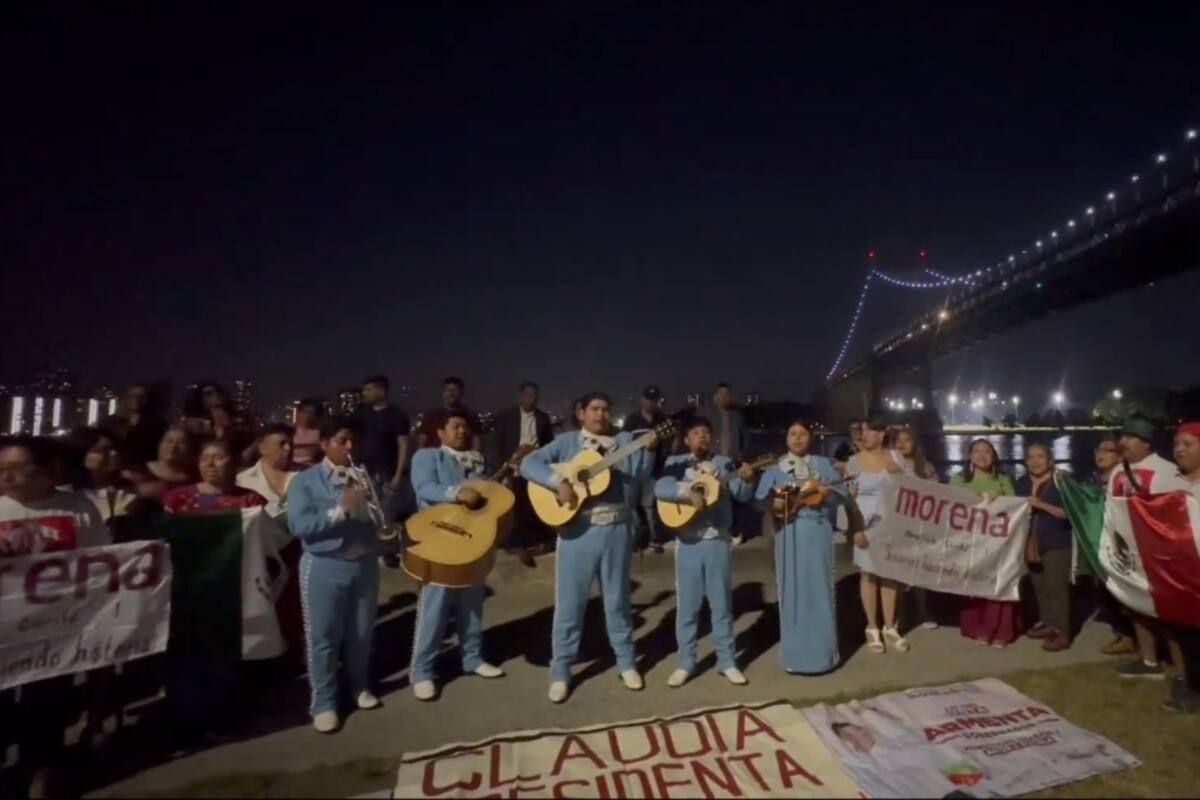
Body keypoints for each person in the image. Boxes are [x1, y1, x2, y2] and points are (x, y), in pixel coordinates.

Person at [521, 392, 655, 703]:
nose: (601, 414)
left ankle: (626, 661)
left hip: (618, 529)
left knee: (618, 601)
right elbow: (529, 464)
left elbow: (641, 476)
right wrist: (558, 482)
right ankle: (561, 669)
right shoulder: (567, 442)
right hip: (578, 530)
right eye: (594, 409)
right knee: (570, 603)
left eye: (606, 409)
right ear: (581, 413)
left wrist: (648, 451)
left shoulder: (623, 441)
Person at [1, 437, 110, 797]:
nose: (6, 477)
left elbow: (102, 561)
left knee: (46, 703)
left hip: (55, 629)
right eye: (2, 469)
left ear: (48, 473)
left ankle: (41, 769)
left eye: (17, 469)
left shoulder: (77, 508)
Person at [287, 416, 394, 733]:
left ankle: (359, 686)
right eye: (342, 441)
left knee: (361, 634)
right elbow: (300, 526)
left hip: (363, 564)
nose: (350, 447)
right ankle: (324, 702)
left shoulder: (363, 476)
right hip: (323, 564)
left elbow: (382, 518)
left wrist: (381, 502)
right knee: (323, 637)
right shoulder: (305, 481)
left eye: (354, 441)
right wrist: (341, 510)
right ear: (324, 444)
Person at [408, 412, 506, 701]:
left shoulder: (478, 459)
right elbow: (424, 488)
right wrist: (456, 492)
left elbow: (484, 497)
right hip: (439, 540)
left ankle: (472, 657)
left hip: (472, 541)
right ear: (440, 432)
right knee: (434, 607)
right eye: (455, 427)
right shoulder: (428, 457)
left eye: (465, 427)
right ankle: (422, 671)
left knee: (472, 603)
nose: (461, 431)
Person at [655, 417, 755, 686]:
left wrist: (747, 478)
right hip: (687, 542)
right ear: (687, 439)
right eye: (696, 432)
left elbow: (742, 494)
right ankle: (686, 662)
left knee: (722, 605)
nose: (702, 437)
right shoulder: (675, 464)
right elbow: (660, 488)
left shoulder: (724, 463)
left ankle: (727, 661)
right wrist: (687, 491)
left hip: (717, 542)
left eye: (706, 433)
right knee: (687, 608)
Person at [755, 420, 847, 673]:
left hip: (818, 534)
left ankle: (824, 655)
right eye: (792, 433)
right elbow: (761, 500)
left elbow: (843, 495)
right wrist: (776, 504)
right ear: (786, 438)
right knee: (791, 591)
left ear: (811, 437)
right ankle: (794, 657)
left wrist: (824, 492)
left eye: (803, 433)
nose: (797, 438)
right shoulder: (775, 469)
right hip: (788, 534)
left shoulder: (823, 464)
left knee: (820, 589)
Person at [1108, 418, 1189, 680]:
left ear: (1147, 443)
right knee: (1136, 606)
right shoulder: (1117, 472)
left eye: (1131, 438)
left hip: (1158, 554)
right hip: (1128, 552)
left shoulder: (1166, 471)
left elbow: (1179, 513)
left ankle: (1181, 673)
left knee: (1167, 614)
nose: (1124, 443)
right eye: (1123, 437)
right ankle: (1149, 660)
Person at [846, 419, 912, 653]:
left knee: (890, 574)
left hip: (891, 523)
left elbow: (913, 491)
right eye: (862, 429)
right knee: (869, 574)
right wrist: (855, 529)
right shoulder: (854, 461)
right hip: (865, 525)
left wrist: (900, 476)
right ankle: (872, 626)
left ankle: (889, 626)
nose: (864, 434)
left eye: (869, 429)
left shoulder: (896, 457)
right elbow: (848, 500)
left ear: (882, 433)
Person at [952, 439, 1021, 648]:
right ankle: (977, 628)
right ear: (970, 456)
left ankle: (1000, 630)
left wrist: (999, 496)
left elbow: (1015, 507)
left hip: (998, 544)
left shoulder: (1002, 480)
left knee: (997, 584)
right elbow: (948, 503)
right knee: (973, 584)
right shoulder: (959, 479)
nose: (982, 455)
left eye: (987, 451)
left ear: (994, 456)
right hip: (969, 542)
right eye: (976, 451)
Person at [1016, 442, 1073, 652]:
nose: (1035, 461)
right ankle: (1048, 624)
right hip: (1031, 545)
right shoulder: (1021, 483)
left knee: (1057, 590)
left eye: (1040, 456)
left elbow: (1069, 513)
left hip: (1057, 543)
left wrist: (1040, 504)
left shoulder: (1062, 481)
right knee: (1040, 589)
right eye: (1030, 457)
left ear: (1050, 459)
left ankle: (1063, 633)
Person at [487, 381, 554, 555]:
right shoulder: (506, 416)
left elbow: (549, 445)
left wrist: (535, 452)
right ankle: (514, 543)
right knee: (514, 506)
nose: (532, 399)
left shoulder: (543, 418)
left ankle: (536, 542)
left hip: (534, 465)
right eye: (528, 395)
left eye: (535, 395)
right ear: (521, 396)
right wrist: (502, 466)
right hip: (511, 466)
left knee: (533, 504)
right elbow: (496, 443)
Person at [1086, 436, 1137, 655]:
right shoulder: (1092, 481)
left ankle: (1129, 636)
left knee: (1122, 592)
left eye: (1108, 450)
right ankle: (1121, 632)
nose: (1101, 454)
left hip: (1121, 545)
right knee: (1103, 590)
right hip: (1098, 544)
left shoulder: (1127, 480)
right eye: (1099, 449)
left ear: (1119, 456)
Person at [1166, 420, 1200, 713]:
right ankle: (1185, 681)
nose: (1180, 450)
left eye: (1188, 444)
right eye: (1177, 444)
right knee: (1181, 633)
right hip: (1180, 576)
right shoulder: (1171, 483)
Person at [895, 426, 942, 629]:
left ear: (915, 443)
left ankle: (923, 611)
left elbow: (939, 495)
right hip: (895, 525)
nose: (902, 443)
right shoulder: (890, 465)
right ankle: (896, 614)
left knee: (919, 570)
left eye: (907, 439)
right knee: (896, 570)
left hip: (919, 526)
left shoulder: (926, 467)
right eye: (899, 439)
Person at [162, 439, 267, 514]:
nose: (209, 464)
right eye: (204, 458)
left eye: (219, 457)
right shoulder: (178, 497)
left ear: (235, 463)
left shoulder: (251, 500)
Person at [627, 385, 670, 553]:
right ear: (641, 399)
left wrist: (660, 451)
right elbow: (624, 443)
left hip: (655, 469)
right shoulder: (632, 420)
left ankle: (655, 538)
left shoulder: (663, 420)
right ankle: (635, 540)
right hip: (632, 469)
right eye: (647, 398)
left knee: (650, 506)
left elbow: (670, 443)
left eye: (654, 399)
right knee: (632, 506)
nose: (650, 402)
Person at [237, 424, 299, 519]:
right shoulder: (242, 481)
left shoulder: (307, 477)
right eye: (282, 444)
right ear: (263, 448)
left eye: (291, 444)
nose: (288, 448)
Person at [130, 425, 197, 501]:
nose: (173, 446)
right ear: (160, 445)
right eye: (169, 441)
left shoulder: (195, 479)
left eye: (181, 443)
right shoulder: (138, 472)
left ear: (190, 449)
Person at [106, 383, 167, 465]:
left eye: (141, 396)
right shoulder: (111, 421)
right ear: (125, 398)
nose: (137, 399)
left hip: (146, 469)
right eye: (132, 395)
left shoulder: (158, 424)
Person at [417, 377, 482, 451]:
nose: (451, 393)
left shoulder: (470, 415)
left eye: (455, 390)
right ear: (443, 393)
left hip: (462, 458)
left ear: (461, 393)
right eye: (447, 390)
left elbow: (477, 440)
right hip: (435, 459)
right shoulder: (431, 415)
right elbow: (422, 439)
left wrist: (473, 457)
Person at [291, 398, 324, 467]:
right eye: (304, 412)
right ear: (297, 413)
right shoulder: (287, 432)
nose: (307, 417)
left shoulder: (323, 434)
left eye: (311, 413)